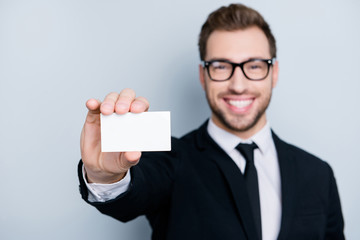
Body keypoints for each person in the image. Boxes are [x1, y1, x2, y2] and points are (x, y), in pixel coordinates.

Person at [78, 3, 344, 240]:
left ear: (273, 73)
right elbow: (133, 195)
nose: (238, 85)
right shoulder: (171, 161)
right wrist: (106, 177)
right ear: (203, 76)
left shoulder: (318, 174)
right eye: (220, 66)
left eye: (254, 66)